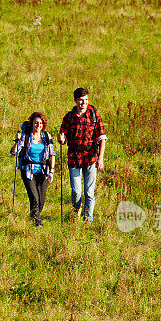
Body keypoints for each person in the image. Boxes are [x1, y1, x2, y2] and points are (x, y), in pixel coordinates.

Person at [58, 87, 107, 222]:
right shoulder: (69, 117)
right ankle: (77, 208)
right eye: (80, 100)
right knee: (76, 192)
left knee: (89, 192)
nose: (83, 103)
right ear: (75, 101)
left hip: (91, 157)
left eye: (85, 100)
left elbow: (102, 138)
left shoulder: (94, 116)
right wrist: (61, 138)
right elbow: (63, 136)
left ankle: (88, 219)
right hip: (74, 158)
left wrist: (100, 158)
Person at [11, 111, 56, 227]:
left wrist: (52, 171)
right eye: (36, 123)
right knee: (34, 198)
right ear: (32, 124)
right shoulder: (25, 136)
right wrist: (17, 140)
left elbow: (52, 154)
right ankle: (37, 222)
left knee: (42, 199)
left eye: (40, 123)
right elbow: (14, 152)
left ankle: (33, 216)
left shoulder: (47, 136)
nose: (38, 125)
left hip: (44, 171)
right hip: (28, 171)